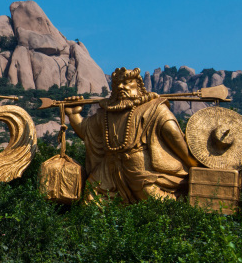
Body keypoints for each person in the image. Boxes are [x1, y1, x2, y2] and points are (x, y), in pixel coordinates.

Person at [65, 66, 199, 202]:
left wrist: (191, 161)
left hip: (140, 169)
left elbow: (172, 134)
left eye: (127, 82)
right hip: (109, 170)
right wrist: (73, 114)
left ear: (138, 84)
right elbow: (86, 131)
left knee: (152, 199)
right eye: (118, 84)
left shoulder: (154, 108)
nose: (121, 87)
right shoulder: (105, 114)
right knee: (91, 195)